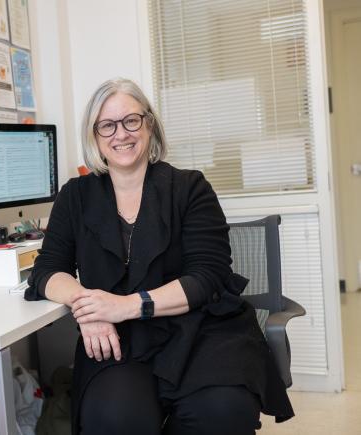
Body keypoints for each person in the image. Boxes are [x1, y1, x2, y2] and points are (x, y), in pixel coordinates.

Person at [25, 78, 294, 435]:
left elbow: (207, 276)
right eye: (107, 125)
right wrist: (89, 308)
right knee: (117, 420)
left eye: (131, 121)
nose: (120, 134)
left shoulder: (190, 187)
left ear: (149, 124)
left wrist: (125, 306)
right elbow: (47, 270)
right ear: (94, 136)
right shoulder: (76, 195)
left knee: (223, 412)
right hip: (121, 339)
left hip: (201, 331)